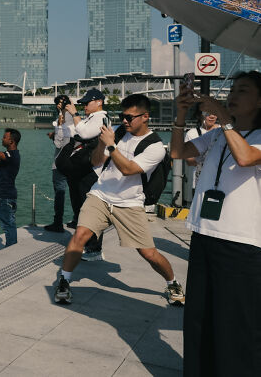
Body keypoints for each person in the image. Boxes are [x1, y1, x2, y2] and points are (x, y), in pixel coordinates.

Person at [54, 93, 185, 306]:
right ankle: (64, 282)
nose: (124, 121)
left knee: (148, 253)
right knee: (80, 235)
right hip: (101, 194)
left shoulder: (155, 147)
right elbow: (96, 162)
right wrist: (101, 144)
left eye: (130, 117)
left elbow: (128, 169)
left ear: (145, 117)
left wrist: (111, 146)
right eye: (123, 116)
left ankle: (172, 282)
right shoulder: (118, 131)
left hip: (129, 203)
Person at [170, 71, 261, 377]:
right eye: (232, 88)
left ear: (260, 101)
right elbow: (178, 152)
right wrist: (181, 114)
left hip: (243, 244)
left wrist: (223, 116)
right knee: (200, 317)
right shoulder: (219, 134)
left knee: (235, 324)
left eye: (243, 90)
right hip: (204, 233)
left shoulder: (248, 135)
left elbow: (247, 157)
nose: (233, 94)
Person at [61, 88, 109, 259]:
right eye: (82, 104)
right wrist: (65, 115)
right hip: (83, 169)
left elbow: (84, 133)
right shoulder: (91, 118)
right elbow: (72, 133)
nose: (84, 107)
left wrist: (74, 113)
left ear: (99, 102)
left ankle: (94, 249)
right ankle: (86, 245)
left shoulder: (101, 117)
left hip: (92, 171)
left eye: (87, 103)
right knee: (80, 208)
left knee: (90, 211)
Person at [44, 95, 74, 232]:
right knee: (75, 192)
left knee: (60, 193)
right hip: (74, 160)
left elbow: (58, 142)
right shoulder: (76, 118)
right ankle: (78, 219)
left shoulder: (62, 119)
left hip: (60, 161)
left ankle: (58, 222)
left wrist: (54, 134)